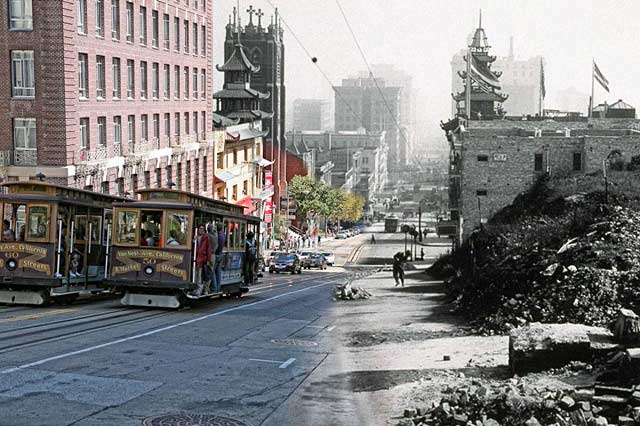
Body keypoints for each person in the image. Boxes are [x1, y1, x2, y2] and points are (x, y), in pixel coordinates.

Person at [190, 225, 211, 297]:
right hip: (196, 258)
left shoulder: (206, 238)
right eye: (200, 229)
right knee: (195, 275)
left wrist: (208, 259)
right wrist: (193, 241)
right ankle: (195, 289)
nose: (201, 230)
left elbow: (208, 249)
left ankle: (199, 290)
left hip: (202, 259)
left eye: (202, 229)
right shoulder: (196, 237)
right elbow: (193, 247)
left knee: (200, 276)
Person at [214, 222, 226, 293]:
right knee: (218, 272)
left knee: (212, 272)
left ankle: (214, 288)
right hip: (220, 254)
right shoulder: (223, 235)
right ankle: (218, 288)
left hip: (216, 254)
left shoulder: (218, 236)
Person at [207, 224, 218, 292]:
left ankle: (207, 288)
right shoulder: (216, 236)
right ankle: (213, 287)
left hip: (209, 255)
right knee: (211, 271)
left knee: (207, 272)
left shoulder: (208, 236)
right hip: (213, 255)